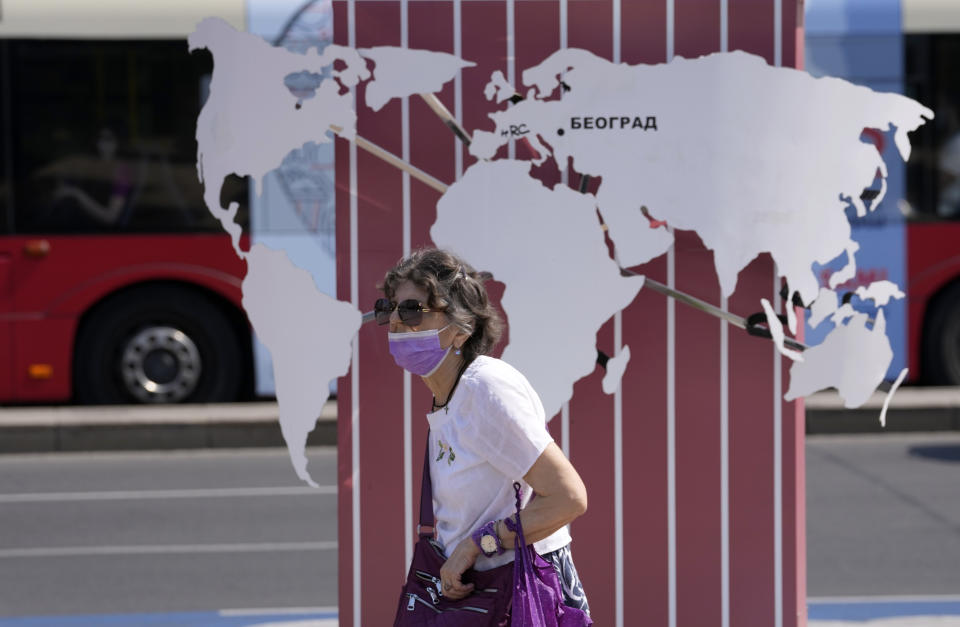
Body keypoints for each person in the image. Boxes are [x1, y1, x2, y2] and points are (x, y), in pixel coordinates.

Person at [376, 247, 591, 613]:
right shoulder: (449, 395)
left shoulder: (484, 389)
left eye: (411, 310)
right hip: (479, 597)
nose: (395, 320)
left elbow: (567, 497)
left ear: (460, 329)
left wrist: (477, 546)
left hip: (518, 595)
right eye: (389, 309)